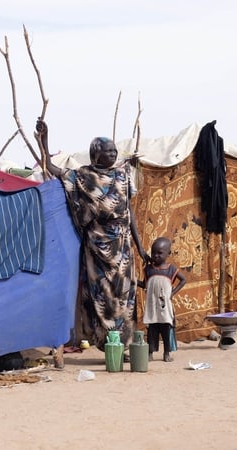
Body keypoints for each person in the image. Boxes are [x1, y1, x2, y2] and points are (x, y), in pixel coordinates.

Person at [36, 119, 149, 356]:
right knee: (103, 297)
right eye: (108, 151)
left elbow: (129, 214)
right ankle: (109, 346)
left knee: (125, 297)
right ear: (95, 154)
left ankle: (124, 347)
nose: (113, 154)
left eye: (114, 151)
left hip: (123, 247)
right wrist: (44, 141)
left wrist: (139, 247)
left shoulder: (123, 176)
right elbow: (52, 168)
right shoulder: (83, 177)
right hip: (97, 246)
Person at [137, 237, 186, 362]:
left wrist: (173, 293)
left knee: (166, 331)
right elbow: (145, 284)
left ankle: (167, 353)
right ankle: (150, 353)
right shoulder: (148, 269)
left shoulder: (171, 270)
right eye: (153, 253)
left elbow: (183, 280)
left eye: (160, 253)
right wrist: (134, 281)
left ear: (168, 253)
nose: (156, 256)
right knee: (152, 331)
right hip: (152, 307)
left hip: (165, 308)